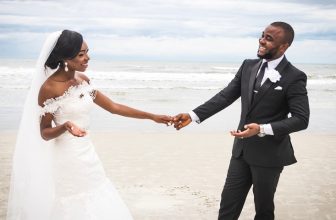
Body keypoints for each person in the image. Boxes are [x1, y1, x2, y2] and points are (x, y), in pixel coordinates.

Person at [7, 30, 172, 220]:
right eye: (81, 54)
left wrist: (152, 116)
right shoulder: (49, 88)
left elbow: (114, 107)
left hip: (87, 152)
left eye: (87, 52)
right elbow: (44, 132)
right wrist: (65, 126)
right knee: (74, 202)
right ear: (64, 58)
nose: (87, 58)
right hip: (67, 156)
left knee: (97, 194)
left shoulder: (83, 80)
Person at [173, 21, 309, 220]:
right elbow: (226, 96)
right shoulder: (248, 66)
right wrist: (193, 115)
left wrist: (262, 128)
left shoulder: (295, 77)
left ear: (284, 46)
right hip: (241, 152)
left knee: (263, 210)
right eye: (262, 35)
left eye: (269, 39)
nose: (262, 41)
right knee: (227, 205)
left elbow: (301, 119)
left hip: (269, 155)